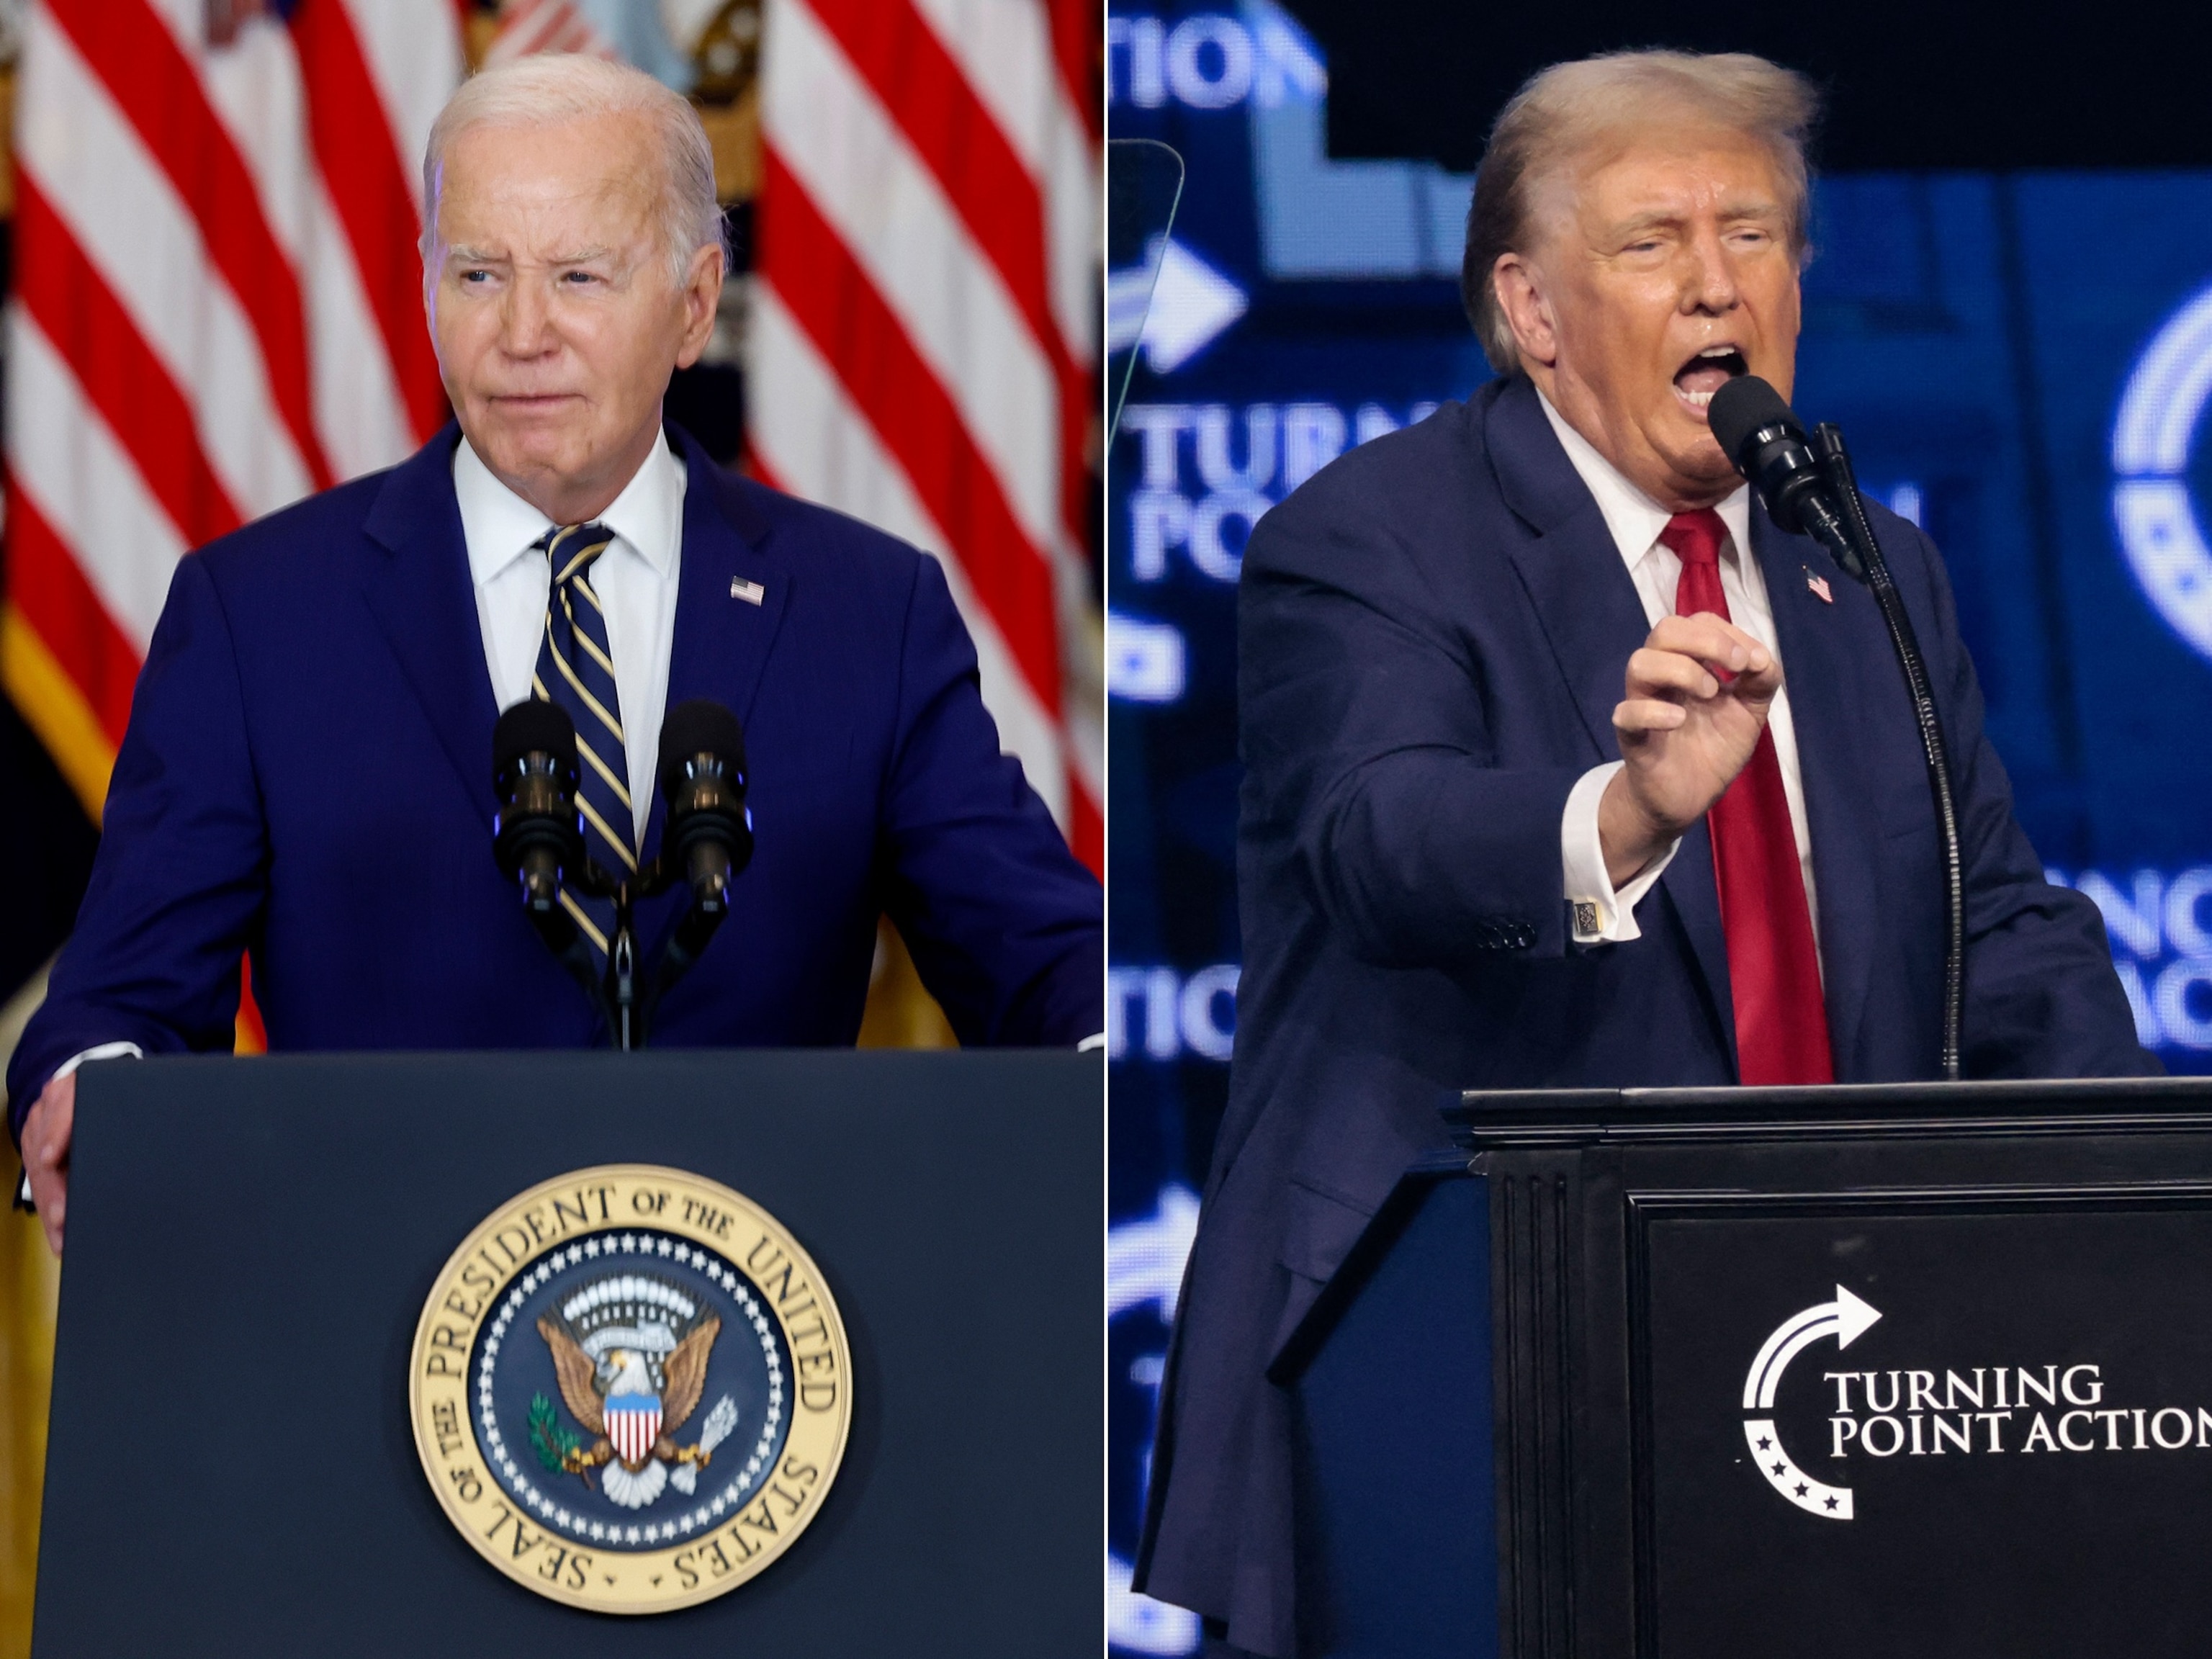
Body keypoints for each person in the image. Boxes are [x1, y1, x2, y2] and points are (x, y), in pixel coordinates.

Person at [1134, 50, 2153, 1658]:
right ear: (1532, 311)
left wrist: (2141, 1205)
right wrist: (1628, 816)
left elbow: (1991, 913)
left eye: (1751, 234)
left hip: (1838, 1361)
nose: (1712, 284)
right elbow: (1377, 842)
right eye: (1650, 244)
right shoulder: (1370, 537)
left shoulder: (1865, 562)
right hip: (1471, 1358)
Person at [8, 54, 1102, 1254]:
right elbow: (121, 1003)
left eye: (579, 276)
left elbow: (1045, 961)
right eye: (480, 273)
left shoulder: (864, 610)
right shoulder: (258, 612)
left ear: (694, 305)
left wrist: (1123, 1065)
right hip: (366, 1337)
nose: (523, 334)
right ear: (425, 287)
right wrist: (94, 1096)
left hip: (777, 1346)